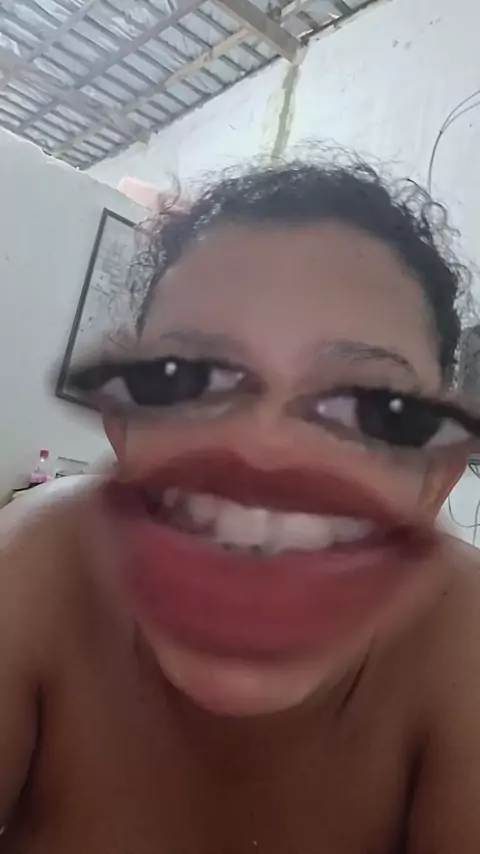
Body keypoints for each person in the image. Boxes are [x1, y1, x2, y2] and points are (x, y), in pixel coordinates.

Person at [2, 158, 480, 854]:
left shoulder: (463, 642)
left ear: (434, 479)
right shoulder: (37, 566)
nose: (263, 450)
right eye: (188, 380)